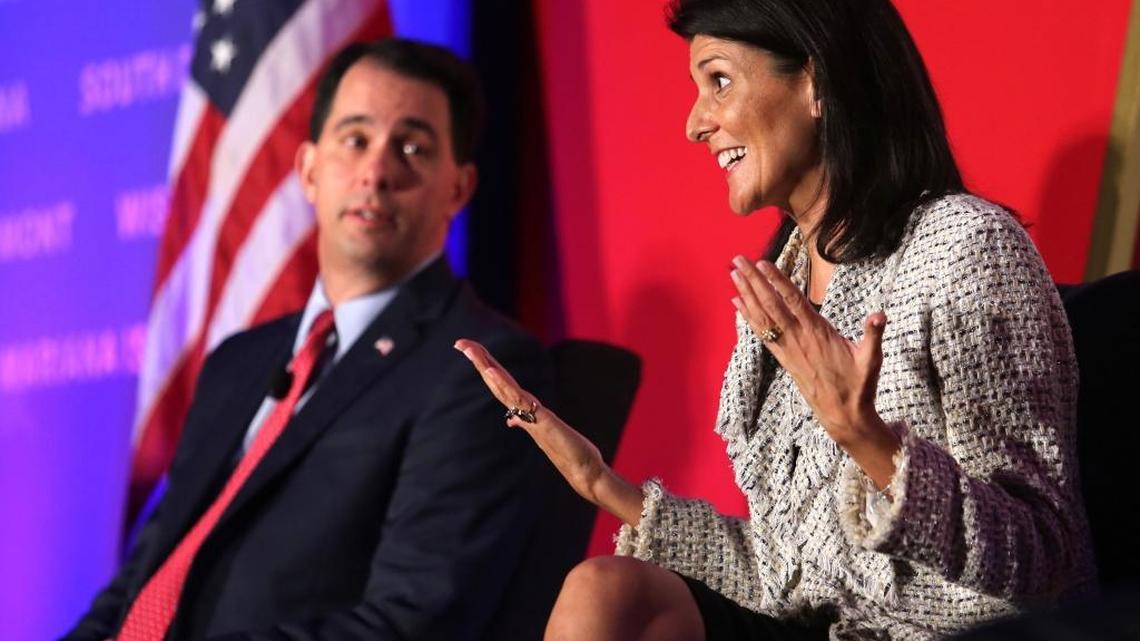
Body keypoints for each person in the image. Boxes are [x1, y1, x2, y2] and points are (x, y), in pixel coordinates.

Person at [456, 0, 1096, 639]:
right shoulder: (781, 287)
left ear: (817, 84)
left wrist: (868, 440)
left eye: (720, 80)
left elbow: (1046, 555)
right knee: (608, 591)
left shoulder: (965, 246)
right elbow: (785, 576)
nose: (694, 123)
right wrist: (605, 485)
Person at [64, 37, 552, 641]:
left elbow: (415, 620)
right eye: (355, 140)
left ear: (458, 187)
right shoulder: (237, 362)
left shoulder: (478, 368)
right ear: (309, 170)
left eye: (413, 147)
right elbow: (147, 574)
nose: (377, 172)